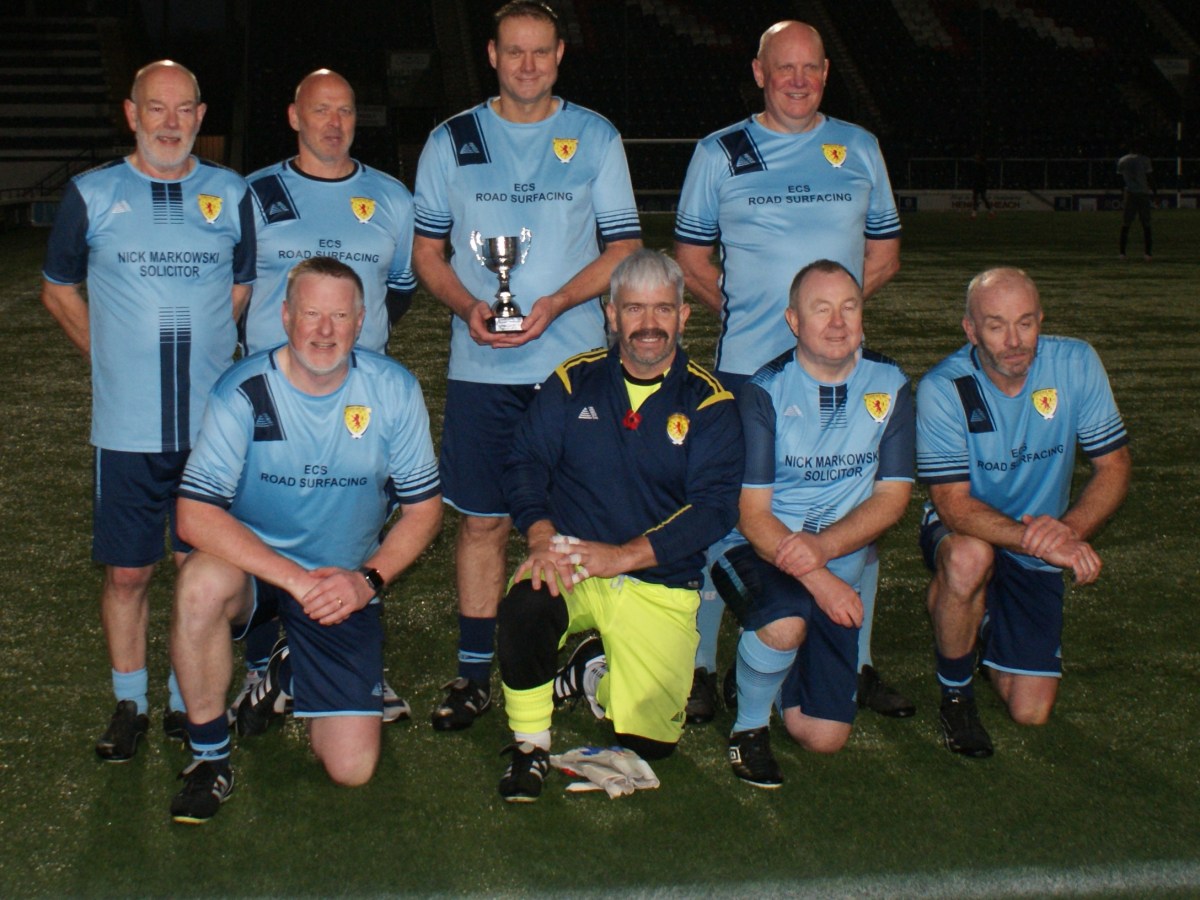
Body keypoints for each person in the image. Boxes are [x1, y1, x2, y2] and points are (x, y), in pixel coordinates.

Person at [412, 0, 641, 733]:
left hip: (575, 371)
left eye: (541, 51)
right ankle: (475, 672)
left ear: (560, 55)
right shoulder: (452, 141)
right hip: (482, 369)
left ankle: (578, 657)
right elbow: (427, 255)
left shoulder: (595, 135)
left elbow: (624, 250)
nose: (528, 64)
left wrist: (556, 300)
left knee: (578, 522)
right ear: (491, 54)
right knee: (482, 523)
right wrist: (468, 307)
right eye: (515, 51)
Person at [673, 19, 906, 723]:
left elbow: (885, 255)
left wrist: (826, 324)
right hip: (746, 373)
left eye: (810, 68)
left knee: (851, 513)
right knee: (726, 521)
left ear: (827, 73)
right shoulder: (719, 152)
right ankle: (702, 668)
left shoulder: (858, 148)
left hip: (838, 373)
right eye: (784, 68)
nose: (797, 80)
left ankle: (854, 661)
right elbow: (691, 262)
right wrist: (759, 311)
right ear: (758, 72)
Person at [167, 257, 442, 823]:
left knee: (352, 769)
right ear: (286, 316)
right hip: (259, 574)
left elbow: (424, 511)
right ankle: (209, 757)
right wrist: (292, 579)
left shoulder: (393, 390)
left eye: (339, 316)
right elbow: (193, 515)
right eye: (312, 314)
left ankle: (283, 669)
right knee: (198, 583)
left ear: (361, 320)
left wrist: (366, 582)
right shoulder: (243, 391)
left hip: (342, 583)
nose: (324, 330)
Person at [40, 60, 255, 761]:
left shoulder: (230, 193)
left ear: (200, 116)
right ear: (131, 115)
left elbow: (241, 288)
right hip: (127, 428)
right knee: (129, 572)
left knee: (203, 574)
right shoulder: (91, 194)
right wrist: (109, 355)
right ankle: (128, 701)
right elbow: (58, 288)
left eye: (183, 109)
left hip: (209, 431)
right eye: (154, 109)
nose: (170, 122)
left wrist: (206, 356)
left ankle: (181, 699)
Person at [493, 249, 743, 802]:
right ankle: (530, 746)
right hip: (573, 561)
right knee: (527, 602)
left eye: (662, 309)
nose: (648, 324)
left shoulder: (710, 401)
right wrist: (539, 538)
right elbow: (524, 462)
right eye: (634, 309)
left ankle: (588, 671)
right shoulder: (572, 381)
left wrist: (624, 556)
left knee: (649, 746)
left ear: (684, 316)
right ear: (610, 314)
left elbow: (715, 508)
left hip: (656, 577)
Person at [238, 68, 417, 722]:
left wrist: (356, 350)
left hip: (359, 400)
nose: (335, 123)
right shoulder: (254, 195)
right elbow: (233, 291)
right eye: (321, 110)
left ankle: (360, 660)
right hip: (272, 397)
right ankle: (261, 667)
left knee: (363, 525)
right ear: (294, 115)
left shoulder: (392, 198)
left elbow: (399, 287)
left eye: (345, 110)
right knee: (262, 522)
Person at [709, 261, 913, 788]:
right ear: (794, 322)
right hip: (754, 550)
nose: (838, 322)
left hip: (827, 557)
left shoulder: (889, 383)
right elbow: (752, 517)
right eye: (821, 309)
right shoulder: (764, 391)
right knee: (786, 620)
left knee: (824, 737)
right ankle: (747, 730)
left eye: (850, 307)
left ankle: (757, 673)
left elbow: (892, 498)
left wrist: (822, 553)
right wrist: (820, 579)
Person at [917, 267, 1130, 758]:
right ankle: (955, 695)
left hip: (1043, 538)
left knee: (1029, 710)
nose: (1014, 341)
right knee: (969, 559)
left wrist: (1069, 531)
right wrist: (1046, 540)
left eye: (1026, 323)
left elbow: (1114, 466)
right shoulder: (943, 388)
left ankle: (978, 616)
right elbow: (953, 505)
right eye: (996, 326)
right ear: (971, 330)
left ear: (1041, 321)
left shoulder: (1076, 363)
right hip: (970, 528)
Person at [1117, 143, 1155, 260]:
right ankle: (1147, 253)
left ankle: (1122, 253)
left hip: (1130, 193)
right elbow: (1149, 176)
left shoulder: (1122, 160)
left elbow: (1119, 177)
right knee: (1146, 224)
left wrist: (1121, 191)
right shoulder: (1145, 160)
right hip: (1142, 193)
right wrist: (1154, 190)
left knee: (1126, 224)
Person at [970, 152, 994, 219]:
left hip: (981, 184)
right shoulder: (976, 166)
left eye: (977, 157)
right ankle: (974, 214)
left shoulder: (982, 166)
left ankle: (990, 212)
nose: (975, 158)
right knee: (976, 198)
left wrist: (984, 183)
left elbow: (985, 176)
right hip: (977, 184)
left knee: (982, 198)